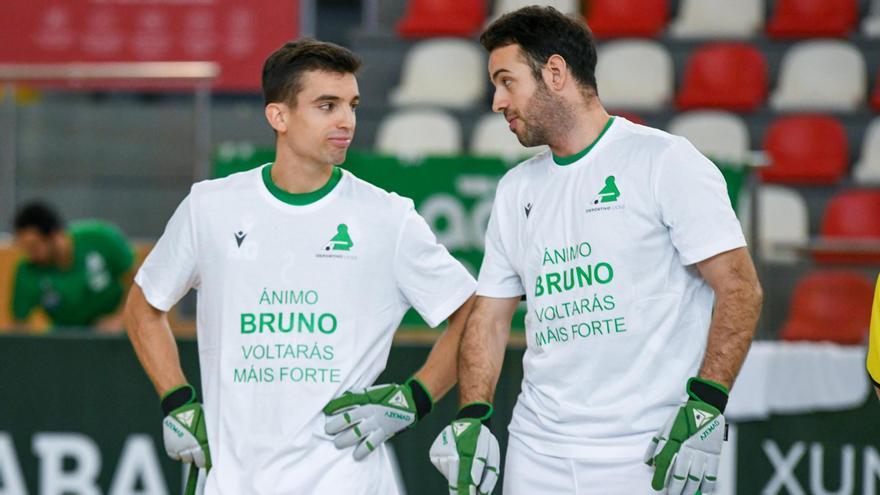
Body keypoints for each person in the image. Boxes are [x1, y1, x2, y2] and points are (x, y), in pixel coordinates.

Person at [428, 7, 763, 495]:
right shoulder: (515, 189)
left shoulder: (665, 162)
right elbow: (490, 316)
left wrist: (707, 404)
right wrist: (473, 416)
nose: (498, 101)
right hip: (536, 450)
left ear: (556, 73)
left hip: (650, 451)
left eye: (506, 81)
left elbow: (740, 287)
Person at [124, 38, 476, 494]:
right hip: (235, 482)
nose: (346, 120)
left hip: (347, 481)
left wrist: (415, 397)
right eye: (326, 106)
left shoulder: (389, 218)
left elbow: (473, 314)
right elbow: (143, 306)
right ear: (279, 116)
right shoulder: (209, 207)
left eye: (352, 105)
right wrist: (177, 400)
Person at [11, 201, 134, 332]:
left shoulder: (100, 238)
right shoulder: (27, 271)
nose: (31, 255)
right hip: (66, 338)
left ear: (55, 235)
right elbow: (19, 324)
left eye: (34, 246)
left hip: (115, 333)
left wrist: (120, 318)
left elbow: (137, 279)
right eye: (25, 248)